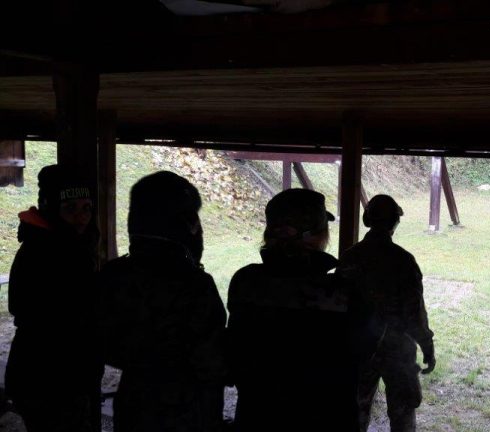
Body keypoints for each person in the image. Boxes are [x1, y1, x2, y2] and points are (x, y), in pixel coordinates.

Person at [98, 171, 227, 432]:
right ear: (186, 223)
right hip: (186, 411)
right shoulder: (195, 285)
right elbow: (211, 361)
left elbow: (105, 344)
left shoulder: (113, 275)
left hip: (133, 404)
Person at [226, 188, 358, 431]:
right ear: (318, 236)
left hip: (258, 416)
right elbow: (364, 354)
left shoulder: (245, 282)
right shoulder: (345, 292)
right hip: (326, 419)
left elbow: (234, 355)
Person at [5, 164, 103, 432]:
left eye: (86, 208)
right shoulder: (46, 252)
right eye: (70, 208)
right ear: (51, 209)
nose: (81, 217)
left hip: (53, 375)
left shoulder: (64, 246)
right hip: (48, 379)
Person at [337, 194, 435, 432]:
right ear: (395, 222)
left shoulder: (350, 257)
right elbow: (414, 311)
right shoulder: (403, 260)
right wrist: (426, 344)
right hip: (398, 347)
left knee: (354, 412)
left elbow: (338, 305)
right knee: (402, 413)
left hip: (359, 346)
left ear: (367, 220)